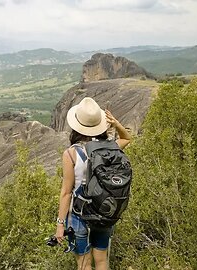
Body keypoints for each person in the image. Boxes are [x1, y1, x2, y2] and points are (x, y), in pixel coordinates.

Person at [55, 97, 131, 270]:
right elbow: (127, 139)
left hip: (79, 214)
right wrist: (116, 123)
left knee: (84, 263)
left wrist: (60, 224)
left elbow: (66, 192)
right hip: (103, 210)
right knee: (102, 260)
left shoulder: (71, 154)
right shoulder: (110, 148)